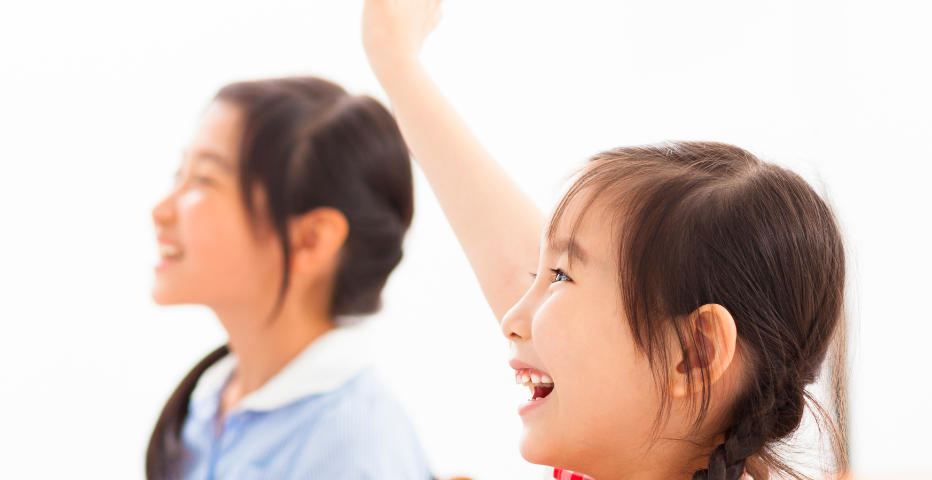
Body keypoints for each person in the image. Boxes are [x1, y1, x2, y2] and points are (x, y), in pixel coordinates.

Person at [360, 1, 848, 479]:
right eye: (545, 273)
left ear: (694, 352)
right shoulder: (629, 448)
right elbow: (513, 263)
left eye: (560, 276)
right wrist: (395, 60)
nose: (512, 319)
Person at [145, 77, 431, 480]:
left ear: (310, 240)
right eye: (180, 173)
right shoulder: (207, 401)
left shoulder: (354, 447)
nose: (161, 210)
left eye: (204, 180)